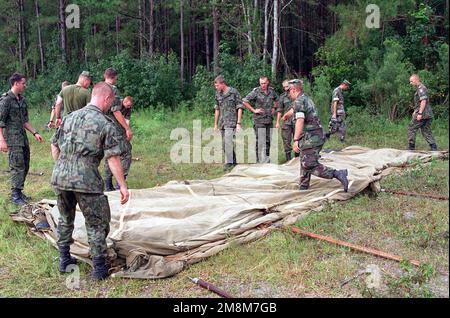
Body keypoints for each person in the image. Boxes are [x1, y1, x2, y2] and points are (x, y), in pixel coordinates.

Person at [50, 82, 129, 280]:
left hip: (60, 176)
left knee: (65, 219)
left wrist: (63, 166)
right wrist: (123, 186)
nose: (111, 106)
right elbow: (113, 158)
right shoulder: (104, 123)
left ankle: (64, 259)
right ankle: (99, 269)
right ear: (107, 99)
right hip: (86, 180)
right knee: (96, 223)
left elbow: (54, 144)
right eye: (111, 102)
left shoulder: (69, 117)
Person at [282, 79, 349, 192]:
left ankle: (337, 174)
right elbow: (294, 110)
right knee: (304, 159)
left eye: (289, 91)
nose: (288, 94)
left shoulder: (299, 101)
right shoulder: (305, 99)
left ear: (293, 90)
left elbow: (300, 120)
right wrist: (286, 115)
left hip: (312, 137)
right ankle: (303, 186)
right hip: (314, 135)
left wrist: (295, 140)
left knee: (308, 164)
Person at [0, 73, 44, 205]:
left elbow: (25, 121)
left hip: (22, 139)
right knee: (17, 166)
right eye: (23, 83)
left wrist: (35, 133)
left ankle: (19, 191)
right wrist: (1, 140)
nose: (25, 85)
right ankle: (15, 196)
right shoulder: (6, 101)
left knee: (25, 164)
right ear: (16, 83)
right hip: (12, 140)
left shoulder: (22, 100)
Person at [102, 68, 134, 191]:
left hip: (101, 126)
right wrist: (127, 129)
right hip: (113, 128)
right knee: (126, 153)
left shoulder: (98, 88)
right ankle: (120, 183)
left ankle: (108, 184)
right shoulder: (112, 89)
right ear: (115, 77)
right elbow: (115, 110)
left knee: (109, 154)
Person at [243, 76, 278, 163]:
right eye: (261, 83)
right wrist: (254, 110)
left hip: (269, 119)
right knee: (260, 140)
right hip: (259, 120)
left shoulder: (271, 91)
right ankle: (258, 160)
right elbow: (244, 100)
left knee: (268, 140)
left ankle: (266, 159)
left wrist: (274, 108)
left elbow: (277, 100)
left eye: (264, 83)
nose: (263, 85)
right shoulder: (256, 91)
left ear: (268, 82)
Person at [213, 75, 243, 171]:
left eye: (217, 85)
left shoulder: (233, 92)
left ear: (222, 83)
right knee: (225, 144)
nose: (216, 88)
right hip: (222, 122)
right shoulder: (218, 94)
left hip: (231, 122)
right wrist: (215, 124)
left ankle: (230, 162)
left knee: (227, 142)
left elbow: (240, 107)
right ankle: (233, 162)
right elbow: (217, 109)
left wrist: (238, 123)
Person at [407, 74, 438, 151]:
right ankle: (433, 147)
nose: (410, 83)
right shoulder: (420, 88)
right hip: (427, 114)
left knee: (411, 128)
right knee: (426, 130)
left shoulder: (421, 88)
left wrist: (419, 113)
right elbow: (420, 102)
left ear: (416, 80)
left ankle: (411, 148)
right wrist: (415, 111)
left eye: (411, 81)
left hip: (423, 114)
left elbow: (423, 101)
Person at [276, 79, 298, 161]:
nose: (286, 88)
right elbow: (279, 110)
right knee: (286, 141)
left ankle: (297, 159)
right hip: (287, 122)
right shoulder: (282, 97)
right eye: (284, 87)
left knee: (298, 139)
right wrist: (277, 122)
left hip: (297, 120)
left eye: (287, 86)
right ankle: (288, 160)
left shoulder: (297, 94)